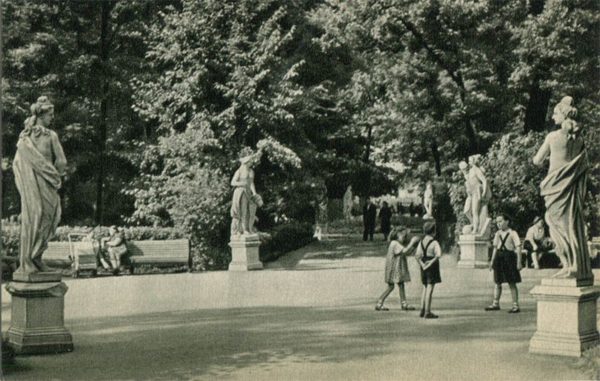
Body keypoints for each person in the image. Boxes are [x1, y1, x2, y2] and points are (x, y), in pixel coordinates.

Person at [533, 96, 592, 280]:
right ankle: (577, 266)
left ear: (563, 115)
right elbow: (583, 166)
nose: (552, 117)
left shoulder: (552, 137)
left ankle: (568, 265)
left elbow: (537, 160)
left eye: (555, 113)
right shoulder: (579, 140)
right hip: (571, 188)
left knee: (556, 225)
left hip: (555, 187)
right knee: (572, 226)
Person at [12, 96, 67, 277]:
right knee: (43, 218)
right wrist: (54, 174)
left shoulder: (26, 138)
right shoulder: (48, 136)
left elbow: (17, 164)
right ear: (42, 115)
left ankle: (36, 257)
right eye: (50, 114)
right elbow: (61, 161)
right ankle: (33, 259)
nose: (53, 117)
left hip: (40, 185)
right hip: (39, 186)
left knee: (40, 219)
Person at [375, 227, 420, 311]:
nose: (404, 238)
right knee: (391, 286)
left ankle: (404, 303)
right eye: (404, 236)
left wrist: (414, 246)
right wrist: (412, 242)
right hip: (394, 269)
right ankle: (379, 303)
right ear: (398, 235)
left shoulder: (396, 243)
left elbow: (406, 252)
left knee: (400, 284)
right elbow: (405, 251)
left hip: (397, 269)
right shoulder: (394, 243)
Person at [485, 214, 522, 313]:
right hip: (499, 258)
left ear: (507, 221)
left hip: (509, 258)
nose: (499, 224)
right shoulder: (497, 234)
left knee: (512, 282)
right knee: (497, 282)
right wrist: (492, 261)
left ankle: (515, 305)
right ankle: (495, 303)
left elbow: (518, 247)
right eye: (497, 222)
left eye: (500, 221)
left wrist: (519, 261)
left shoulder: (513, 233)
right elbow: (495, 248)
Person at [230, 147, 261, 236]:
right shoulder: (239, 171)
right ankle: (243, 230)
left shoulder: (251, 171)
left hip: (248, 193)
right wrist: (242, 183)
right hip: (240, 192)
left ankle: (248, 228)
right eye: (250, 161)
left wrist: (254, 193)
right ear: (245, 162)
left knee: (249, 211)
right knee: (243, 211)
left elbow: (251, 183)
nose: (251, 163)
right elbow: (233, 182)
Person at [415, 221, 442, 319]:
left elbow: (417, 255)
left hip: (423, 264)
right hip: (432, 265)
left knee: (425, 287)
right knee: (430, 287)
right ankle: (427, 311)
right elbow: (438, 254)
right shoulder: (434, 242)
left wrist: (422, 265)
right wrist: (431, 262)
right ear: (434, 232)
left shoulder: (421, 242)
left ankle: (422, 309)